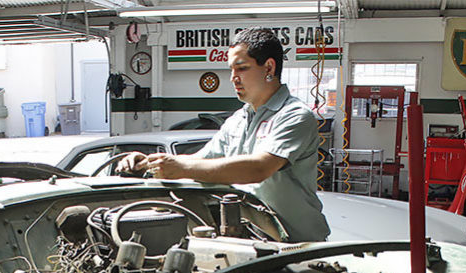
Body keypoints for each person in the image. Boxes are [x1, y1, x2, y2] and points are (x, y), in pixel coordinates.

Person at [118, 27, 330, 242]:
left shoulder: (295, 116)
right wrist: (151, 162)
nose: (233, 78)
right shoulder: (237, 120)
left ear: (269, 67)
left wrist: (180, 168)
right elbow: (200, 160)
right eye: (231, 70)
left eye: (242, 68)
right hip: (253, 240)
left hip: (298, 245)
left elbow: (259, 168)